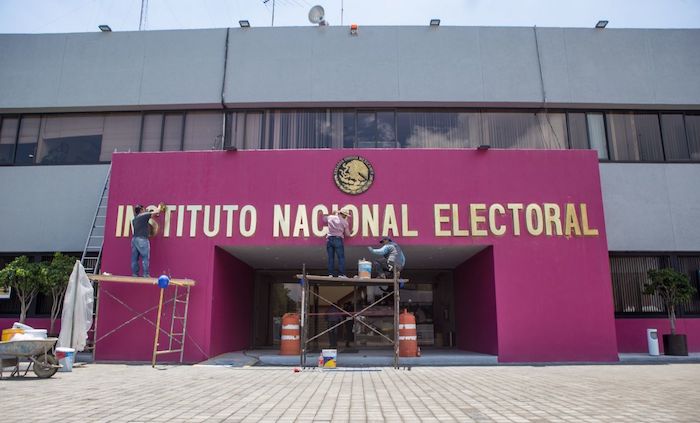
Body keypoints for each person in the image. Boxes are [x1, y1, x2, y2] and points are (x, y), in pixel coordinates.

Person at [131, 203, 164, 277]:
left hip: (134, 240)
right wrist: (160, 206)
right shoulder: (144, 215)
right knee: (145, 257)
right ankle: (146, 274)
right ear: (141, 210)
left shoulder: (134, 219)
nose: (145, 210)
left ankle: (135, 274)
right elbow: (157, 212)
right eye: (144, 209)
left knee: (134, 258)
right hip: (142, 239)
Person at [323, 207, 352, 277]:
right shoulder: (344, 222)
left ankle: (330, 274)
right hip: (338, 239)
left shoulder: (331, 217)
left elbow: (324, 218)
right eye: (346, 215)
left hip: (329, 239)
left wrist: (333, 214)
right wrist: (351, 232)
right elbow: (347, 234)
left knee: (331, 258)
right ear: (344, 215)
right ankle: (341, 274)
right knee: (341, 258)